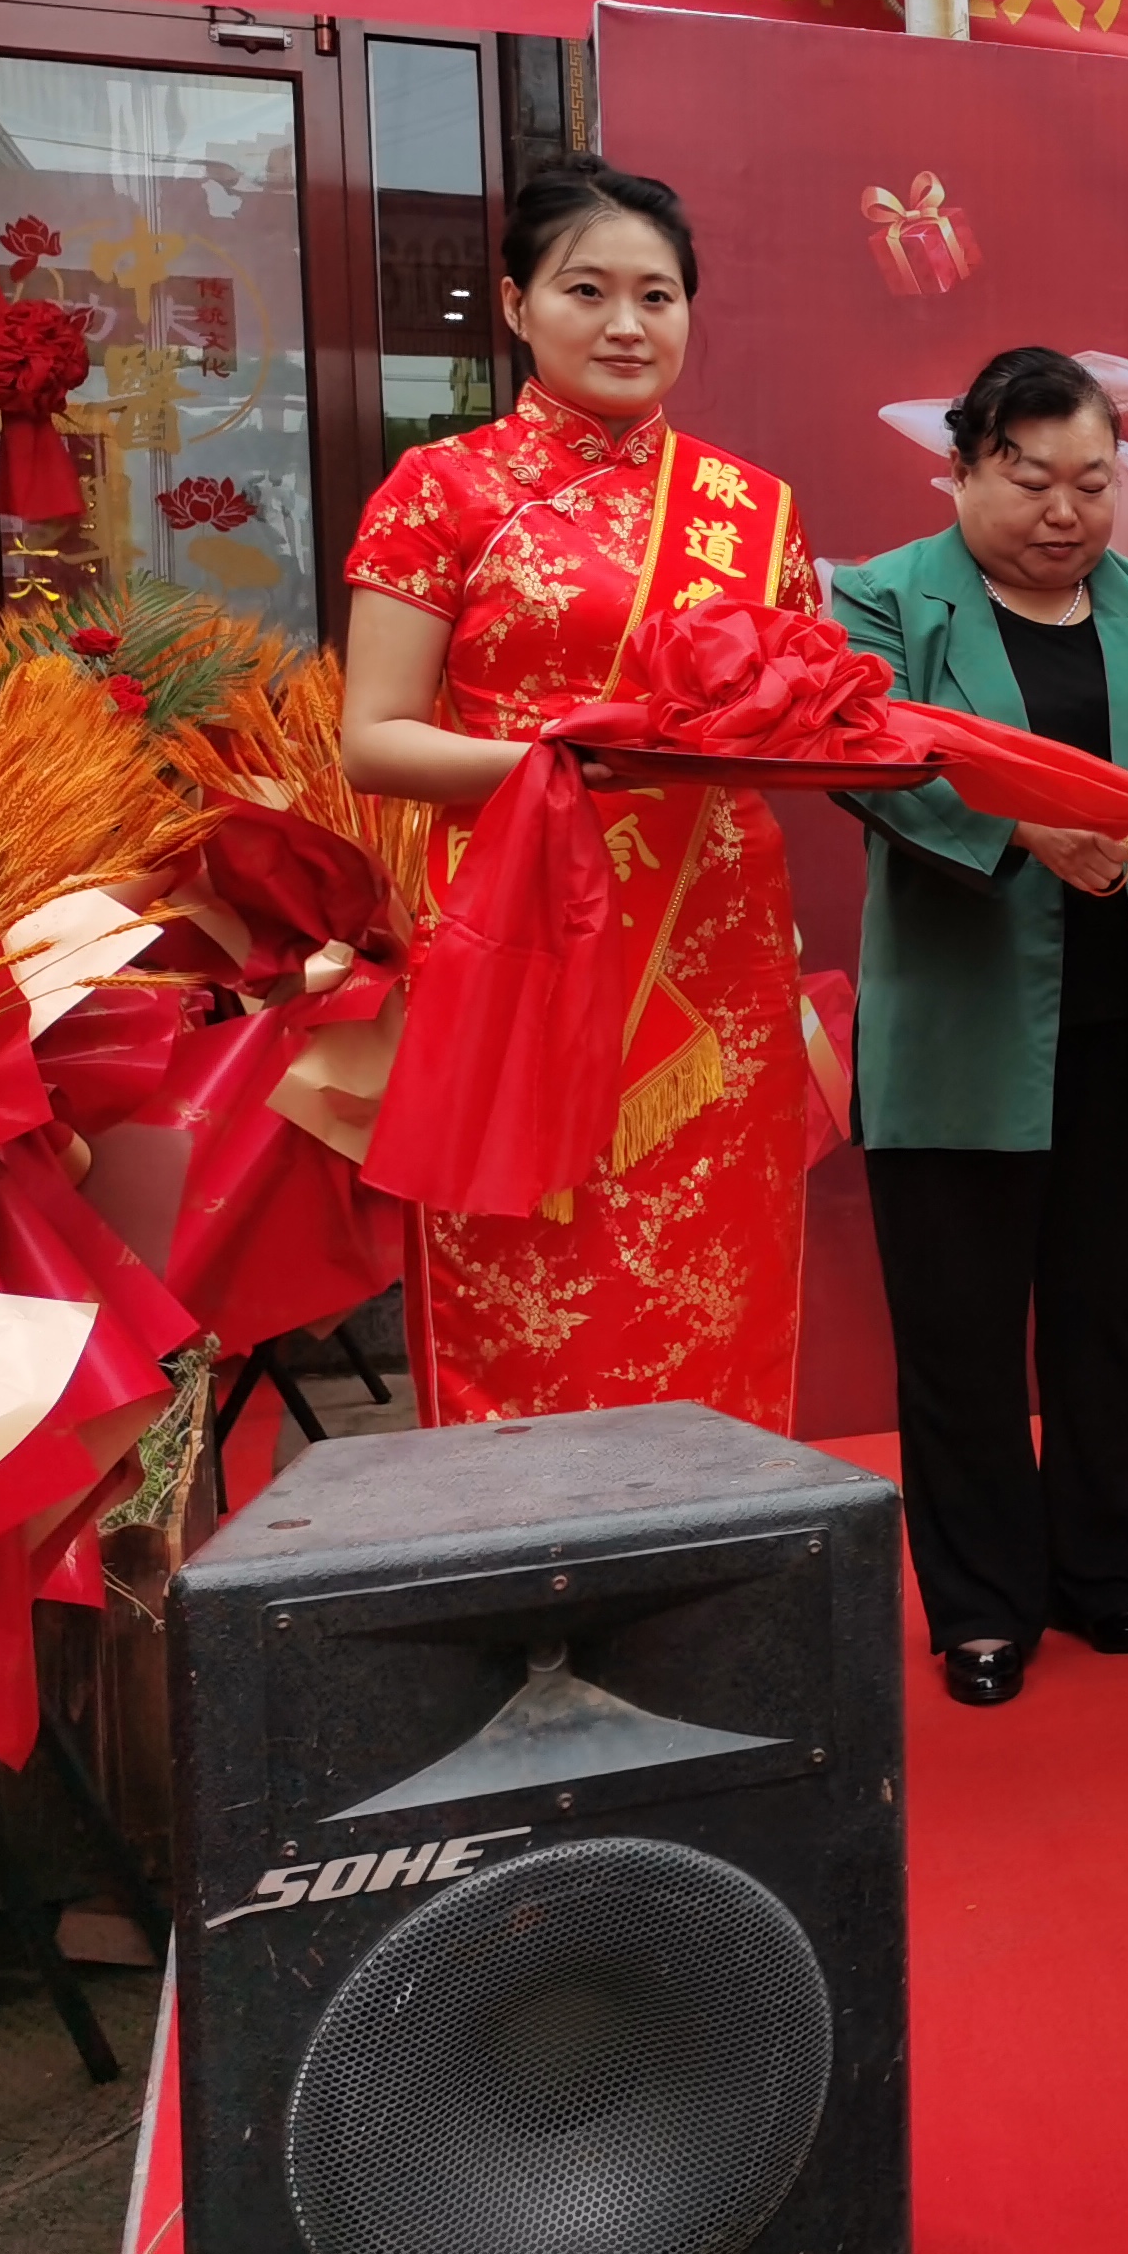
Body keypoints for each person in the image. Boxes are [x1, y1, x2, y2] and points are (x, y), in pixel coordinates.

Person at [827, 349, 1128, 1707]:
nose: (1066, 512)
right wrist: (1023, 829)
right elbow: (864, 751)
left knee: (1104, 1324)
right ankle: (980, 1602)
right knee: (959, 1334)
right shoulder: (885, 596)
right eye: (1030, 480)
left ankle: (1100, 1568)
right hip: (960, 1029)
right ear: (964, 470)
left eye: (1093, 481)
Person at [343, 158, 816, 1431]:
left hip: (715, 948)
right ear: (516, 305)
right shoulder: (442, 490)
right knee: (527, 1289)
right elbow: (374, 741)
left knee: (714, 1278)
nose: (626, 324)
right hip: (524, 942)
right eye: (586, 290)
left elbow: (792, 718)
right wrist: (569, 769)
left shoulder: (754, 507)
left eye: (657, 295)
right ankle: (527, 1552)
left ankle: (719, 1541)